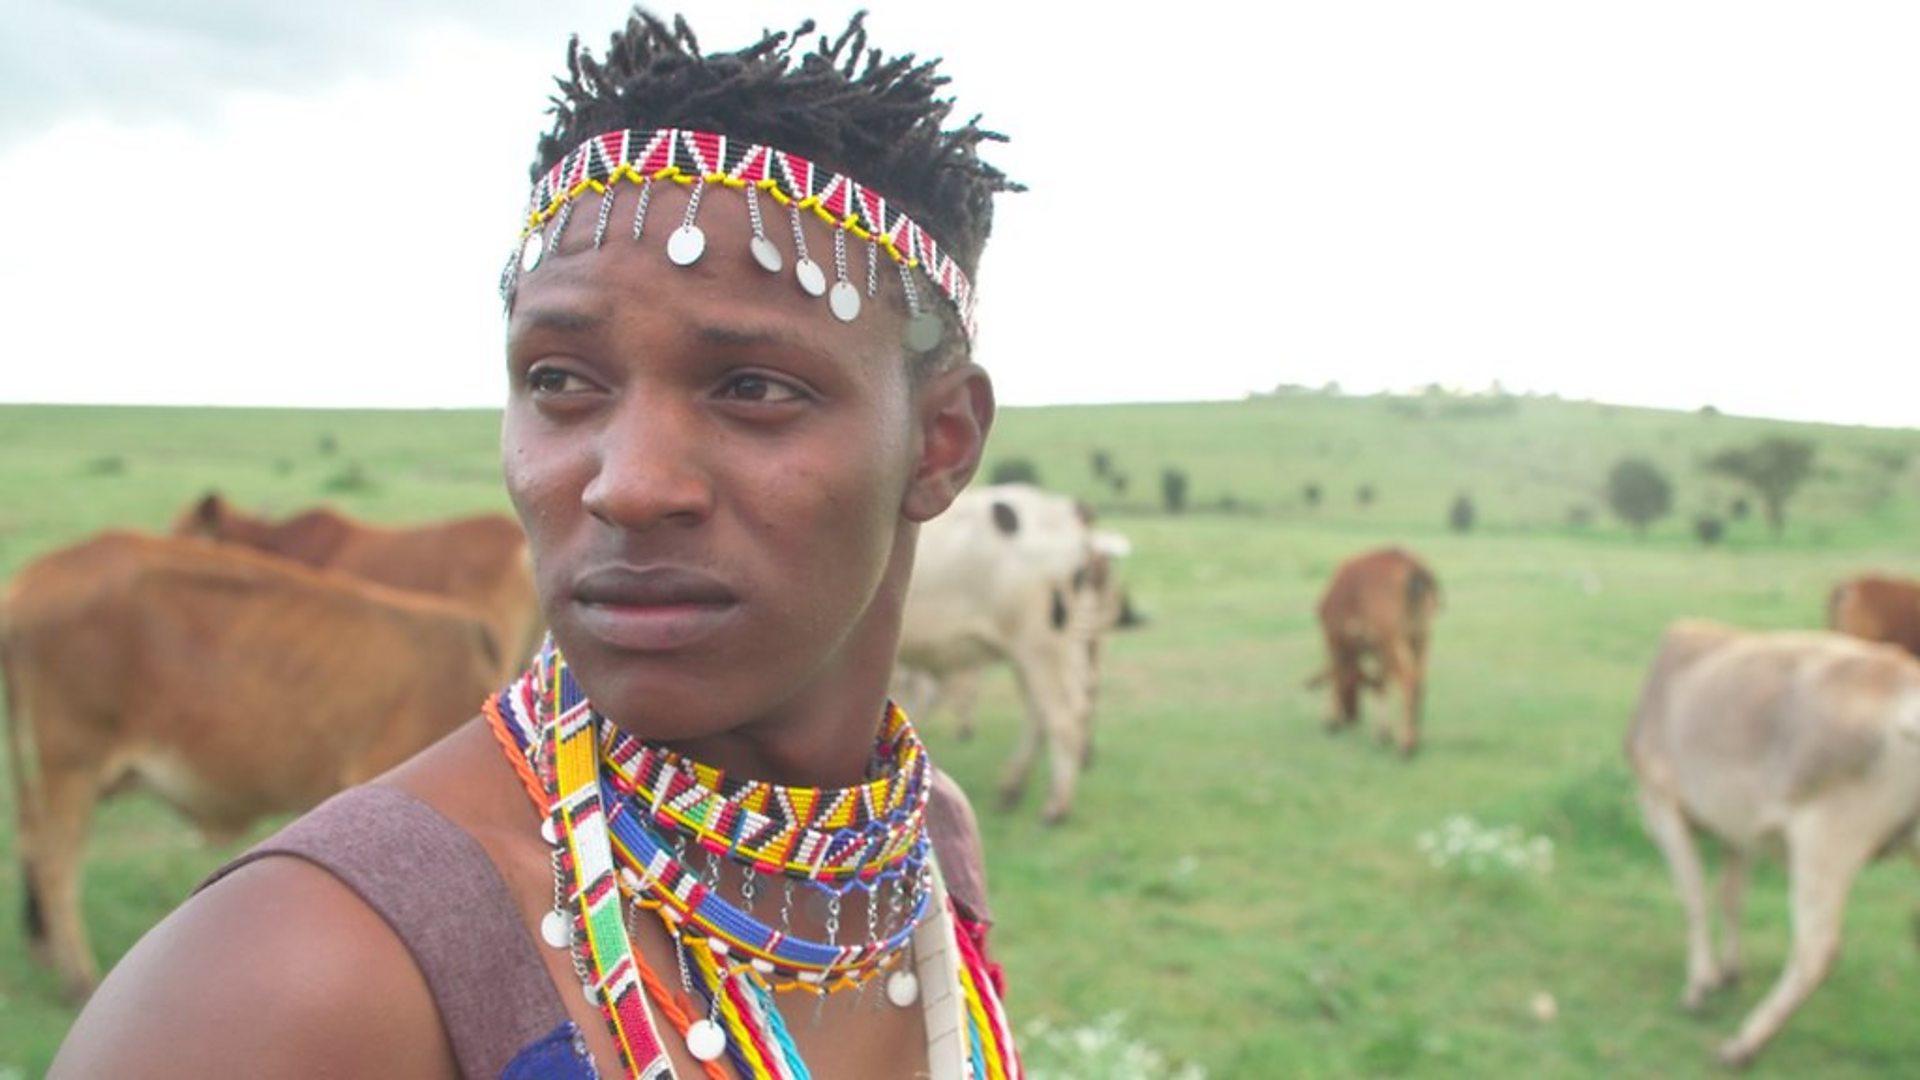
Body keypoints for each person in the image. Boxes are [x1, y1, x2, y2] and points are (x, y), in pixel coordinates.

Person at [52, 9, 1021, 1078]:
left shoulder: (921, 853)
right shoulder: (290, 982)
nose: (628, 484)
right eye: (560, 381)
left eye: (753, 388)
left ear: (940, 444)